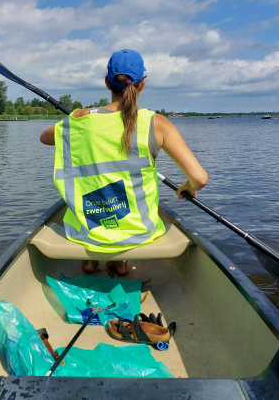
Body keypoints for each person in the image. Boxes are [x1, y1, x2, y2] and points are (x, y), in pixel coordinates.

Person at [40, 49, 207, 275]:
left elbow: (44, 138)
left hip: (86, 231)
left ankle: (90, 262)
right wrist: (189, 186)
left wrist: (76, 123)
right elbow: (199, 178)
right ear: (142, 84)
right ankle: (120, 262)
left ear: (108, 84)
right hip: (140, 232)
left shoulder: (78, 118)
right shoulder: (155, 123)